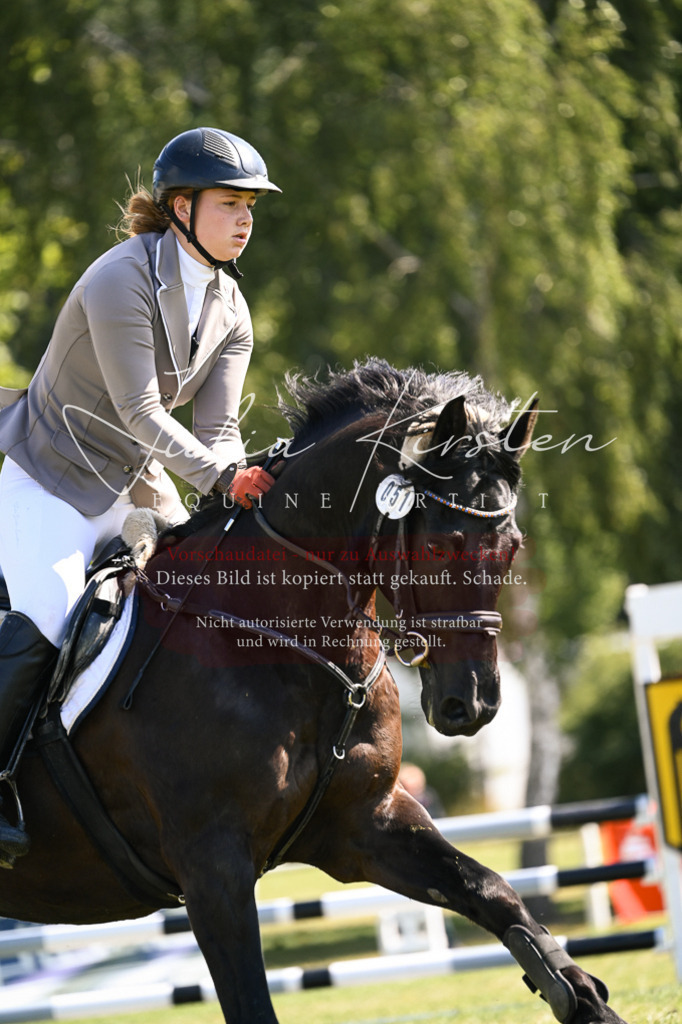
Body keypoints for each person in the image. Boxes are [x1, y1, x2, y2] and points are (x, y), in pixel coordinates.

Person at [0, 126, 279, 863]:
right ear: (180, 206)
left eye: (251, 206)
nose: (245, 219)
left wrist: (238, 483)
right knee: (49, 608)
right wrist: (220, 477)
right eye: (230, 204)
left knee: (207, 597)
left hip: (135, 481)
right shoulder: (119, 278)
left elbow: (218, 428)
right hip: (50, 476)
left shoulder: (231, 310)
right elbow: (141, 412)